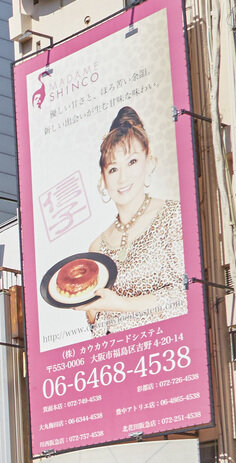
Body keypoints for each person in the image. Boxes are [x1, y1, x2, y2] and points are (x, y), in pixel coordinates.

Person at [76, 107, 188, 339]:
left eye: (132, 162)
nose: (123, 177)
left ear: (150, 163)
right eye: (114, 168)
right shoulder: (97, 247)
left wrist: (121, 304)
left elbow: (186, 296)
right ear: (103, 180)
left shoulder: (174, 215)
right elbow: (99, 328)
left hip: (173, 351)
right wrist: (92, 313)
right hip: (122, 363)